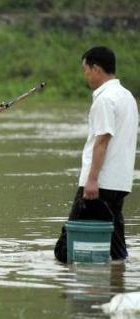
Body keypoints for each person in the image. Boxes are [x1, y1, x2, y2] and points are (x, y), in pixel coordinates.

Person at [55, 46, 138, 263]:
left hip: (98, 184)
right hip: (120, 183)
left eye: (86, 70)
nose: (86, 75)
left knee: (64, 250)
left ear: (96, 68)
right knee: (116, 249)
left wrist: (92, 179)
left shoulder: (105, 99)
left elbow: (102, 141)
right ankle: (117, 286)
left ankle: (83, 290)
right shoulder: (127, 97)